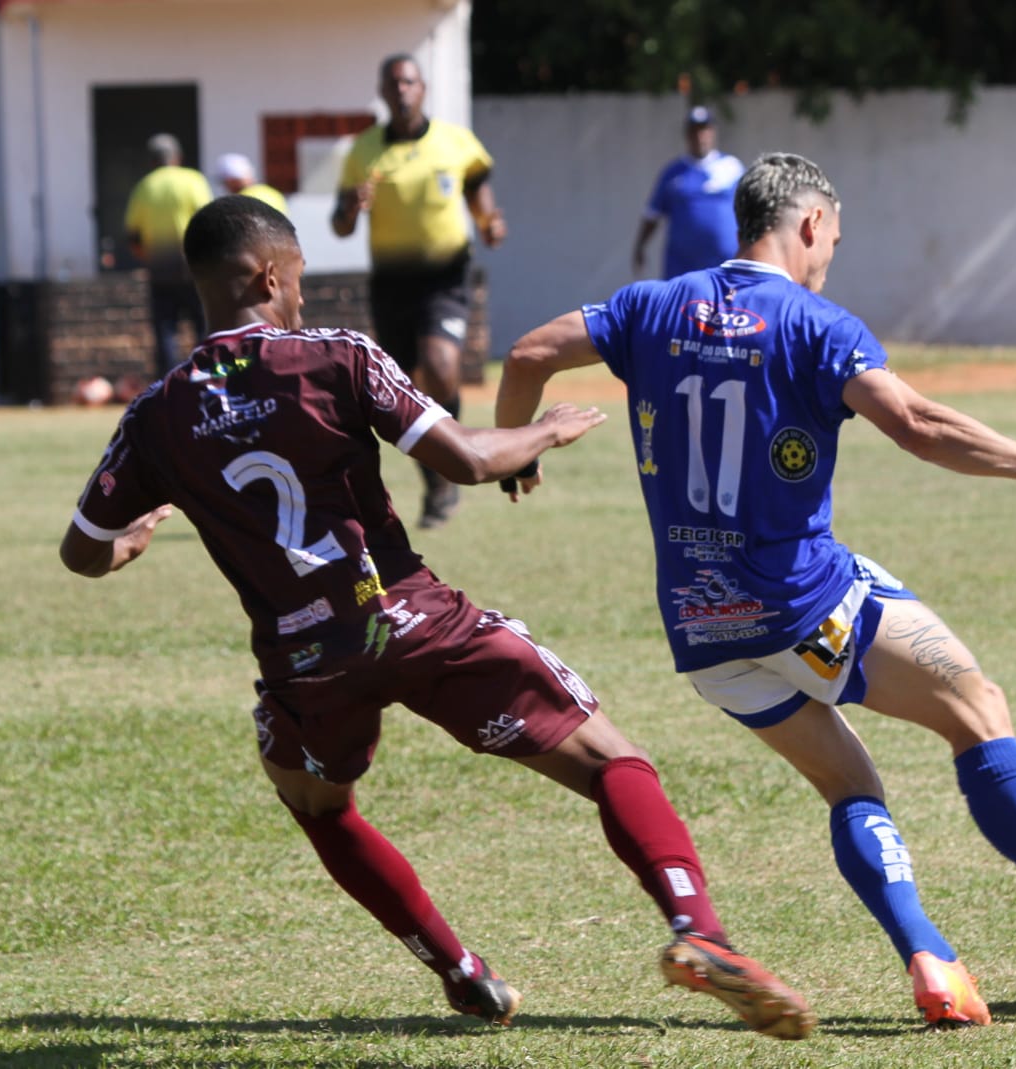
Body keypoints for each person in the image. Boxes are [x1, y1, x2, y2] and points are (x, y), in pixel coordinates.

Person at [59, 194, 814, 1041]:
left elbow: (82, 549)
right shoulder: (333, 355)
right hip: (410, 618)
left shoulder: (156, 412)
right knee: (610, 758)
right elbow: (464, 456)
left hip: (306, 663)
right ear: (270, 273)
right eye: (299, 276)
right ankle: (697, 932)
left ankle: (458, 970)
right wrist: (544, 430)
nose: (302, 294)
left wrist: (129, 547)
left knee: (320, 805)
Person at [496, 152, 1016, 1028]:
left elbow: (529, 352)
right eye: (831, 235)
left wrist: (516, 452)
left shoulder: (648, 305)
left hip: (701, 632)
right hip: (802, 602)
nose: (831, 250)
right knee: (976, 708)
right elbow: (916, 424)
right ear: (805, 225)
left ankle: (933, 963)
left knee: (850, 788)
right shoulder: (814, 322)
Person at [332, 53, 507, 529]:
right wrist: (350, 207)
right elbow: (341, 226)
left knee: (441, 365)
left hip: (445, 276)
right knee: (404, 387)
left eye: (410, 82)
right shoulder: (363, 151)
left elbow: (479, 193)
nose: (403, 90)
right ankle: (436, 483)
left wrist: (489, 223)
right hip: (391, 283)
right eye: (394, 84)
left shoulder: (455, 142)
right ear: (384, 92)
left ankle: (454, 460)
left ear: (422, 88)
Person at [125, 133, 213, 378]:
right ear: (178, 157)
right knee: (204, 326)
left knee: (165, 331)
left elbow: (133, 237)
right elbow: (209, 221)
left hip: (160, 271)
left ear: (152, 161)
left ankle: (169, 383)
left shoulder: (144, 187)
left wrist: (150, 258)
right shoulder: (193, 180)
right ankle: (208, 376)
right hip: (195, 268)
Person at [632, 106, 744, 280]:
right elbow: (652, 214)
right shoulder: (673, 173)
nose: (700, 137)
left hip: (724, 266)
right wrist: (640, 247)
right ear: (687, 135)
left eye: (704, 130)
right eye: (694, 131)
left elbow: (752, 210)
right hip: (683, 267)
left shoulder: (732, 167)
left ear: (712, 132)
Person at [216, 153, 289, 215]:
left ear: (231, 180)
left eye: (225, 182)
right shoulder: (272, 193)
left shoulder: (240, 201)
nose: (225, 187)